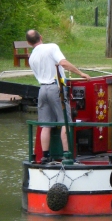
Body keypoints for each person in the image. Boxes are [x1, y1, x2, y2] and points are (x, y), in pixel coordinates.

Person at [26, 30, 91, 164]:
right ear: (41, 37)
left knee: (45, 124)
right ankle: (67, 156)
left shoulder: (31, 57)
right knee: (64, 122)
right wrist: (80, 73)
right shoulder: (52, 47)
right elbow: (63, 63)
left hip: (42, 89)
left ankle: (45, 156)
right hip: (56, 88)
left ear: (28, 43)